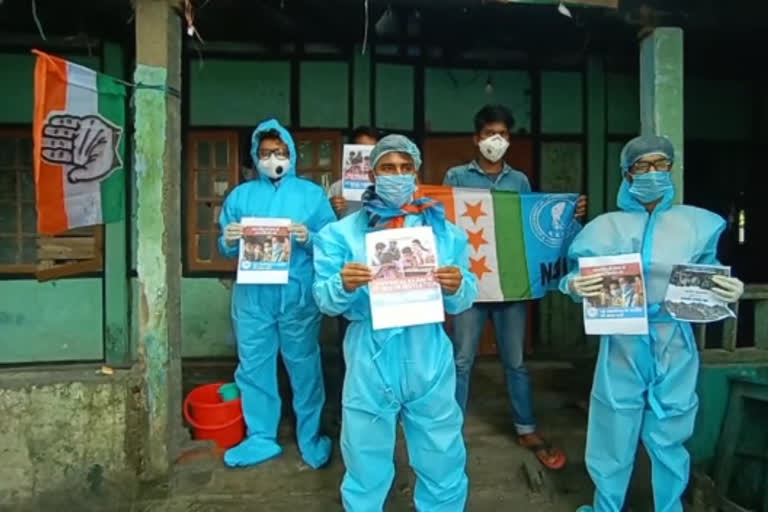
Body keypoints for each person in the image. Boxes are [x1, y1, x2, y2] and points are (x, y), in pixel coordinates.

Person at [561, 135, 745, 512]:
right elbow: (576, 274)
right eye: (641, 166)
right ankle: (606, 505)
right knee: (613, 426)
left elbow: (706, 271)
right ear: (627, 174)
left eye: (660, 164)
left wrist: (726, 287)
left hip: (673, 337)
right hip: (621, 339)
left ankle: (669, 506)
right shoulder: (605, 227)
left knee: (672, 427)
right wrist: (573, 285)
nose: (651, 172)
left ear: (671, 168)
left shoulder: (696, 224)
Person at [313, 134, 479, 511]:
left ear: (417, 171)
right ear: (372, 172)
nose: (398, 175)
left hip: (428, 354)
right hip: (370, 352)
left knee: (441, 450)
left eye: (406, 168)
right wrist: (342, 283)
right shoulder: (340, 234)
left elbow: (466, 291)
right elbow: (323, 299)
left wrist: (457, 284)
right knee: (364, 455)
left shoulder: (443, 232)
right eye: (388, 167)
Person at [443, 104, 587, 470]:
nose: (496, 140)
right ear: (477, 138)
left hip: (511, 287)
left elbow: (530, 228)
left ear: (509, 139)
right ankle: (450, 426)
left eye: (503, 134)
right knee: (461, 360)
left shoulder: (519, 181)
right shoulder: (456, 177)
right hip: (472, 287)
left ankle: (526, 427)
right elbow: (442, 225)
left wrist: (572, 213)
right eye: (490, 133)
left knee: (517, 362)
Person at [218, 118, 336, 469]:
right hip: (253, 298)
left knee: (304, 367)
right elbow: (227, 247)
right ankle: (261, 436)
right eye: (267, 152)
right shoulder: (241, 196)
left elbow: (331, 245)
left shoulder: (312, 195)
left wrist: (309, 238)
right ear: (256, 155)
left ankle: (311, 435)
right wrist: (229, 239)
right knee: (254, 365)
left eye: (280, 151)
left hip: (297, 296)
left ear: (292, 153)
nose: (273, 158)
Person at [328, 126, 380, 219]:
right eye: (361, 149)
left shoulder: (388, 186)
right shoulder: (337, 188)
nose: (366, 156)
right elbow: (326, 221)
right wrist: (331, 209)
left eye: (371, 151)